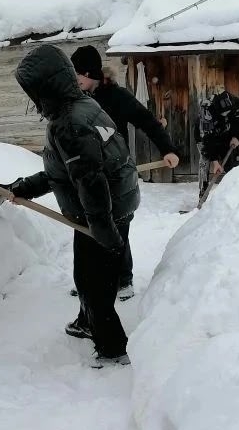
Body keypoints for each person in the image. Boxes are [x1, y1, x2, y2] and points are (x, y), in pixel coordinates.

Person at [8, 43, 138, 369]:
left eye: (33, 92)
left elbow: (90, 181)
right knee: (91, 277)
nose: (32, 100)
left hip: (100, 211)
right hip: (111, 204)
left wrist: (103, 231)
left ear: (46, 88)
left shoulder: (68, 123)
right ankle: (87, 322)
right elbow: (67, 170)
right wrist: (28, 187)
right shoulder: (84, 106)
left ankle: (112, 349)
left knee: (95, 287)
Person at [70, 44, 179, 300]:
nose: (75, 81)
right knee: (89, 226)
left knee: (118, 227)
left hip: (116, 174)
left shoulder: (116, 97)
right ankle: (89, 278)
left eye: (78, 76)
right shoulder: (78, 99)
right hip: (89, 175)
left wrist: (168, 149)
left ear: (90, 73)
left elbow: (147, 121)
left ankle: (123, 279)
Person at [197, 87, 239, 202]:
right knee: (205, 160)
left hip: (226, 132)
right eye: (224, 113)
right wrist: (214, 161)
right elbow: (207, 138)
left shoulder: (235, 102)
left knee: (231, 161)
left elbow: (238, 119)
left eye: (229, 112)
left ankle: (234, 195)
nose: (227, 114)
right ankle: (203, 196)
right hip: (206, 135)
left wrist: (235, 136)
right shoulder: (207, 108)